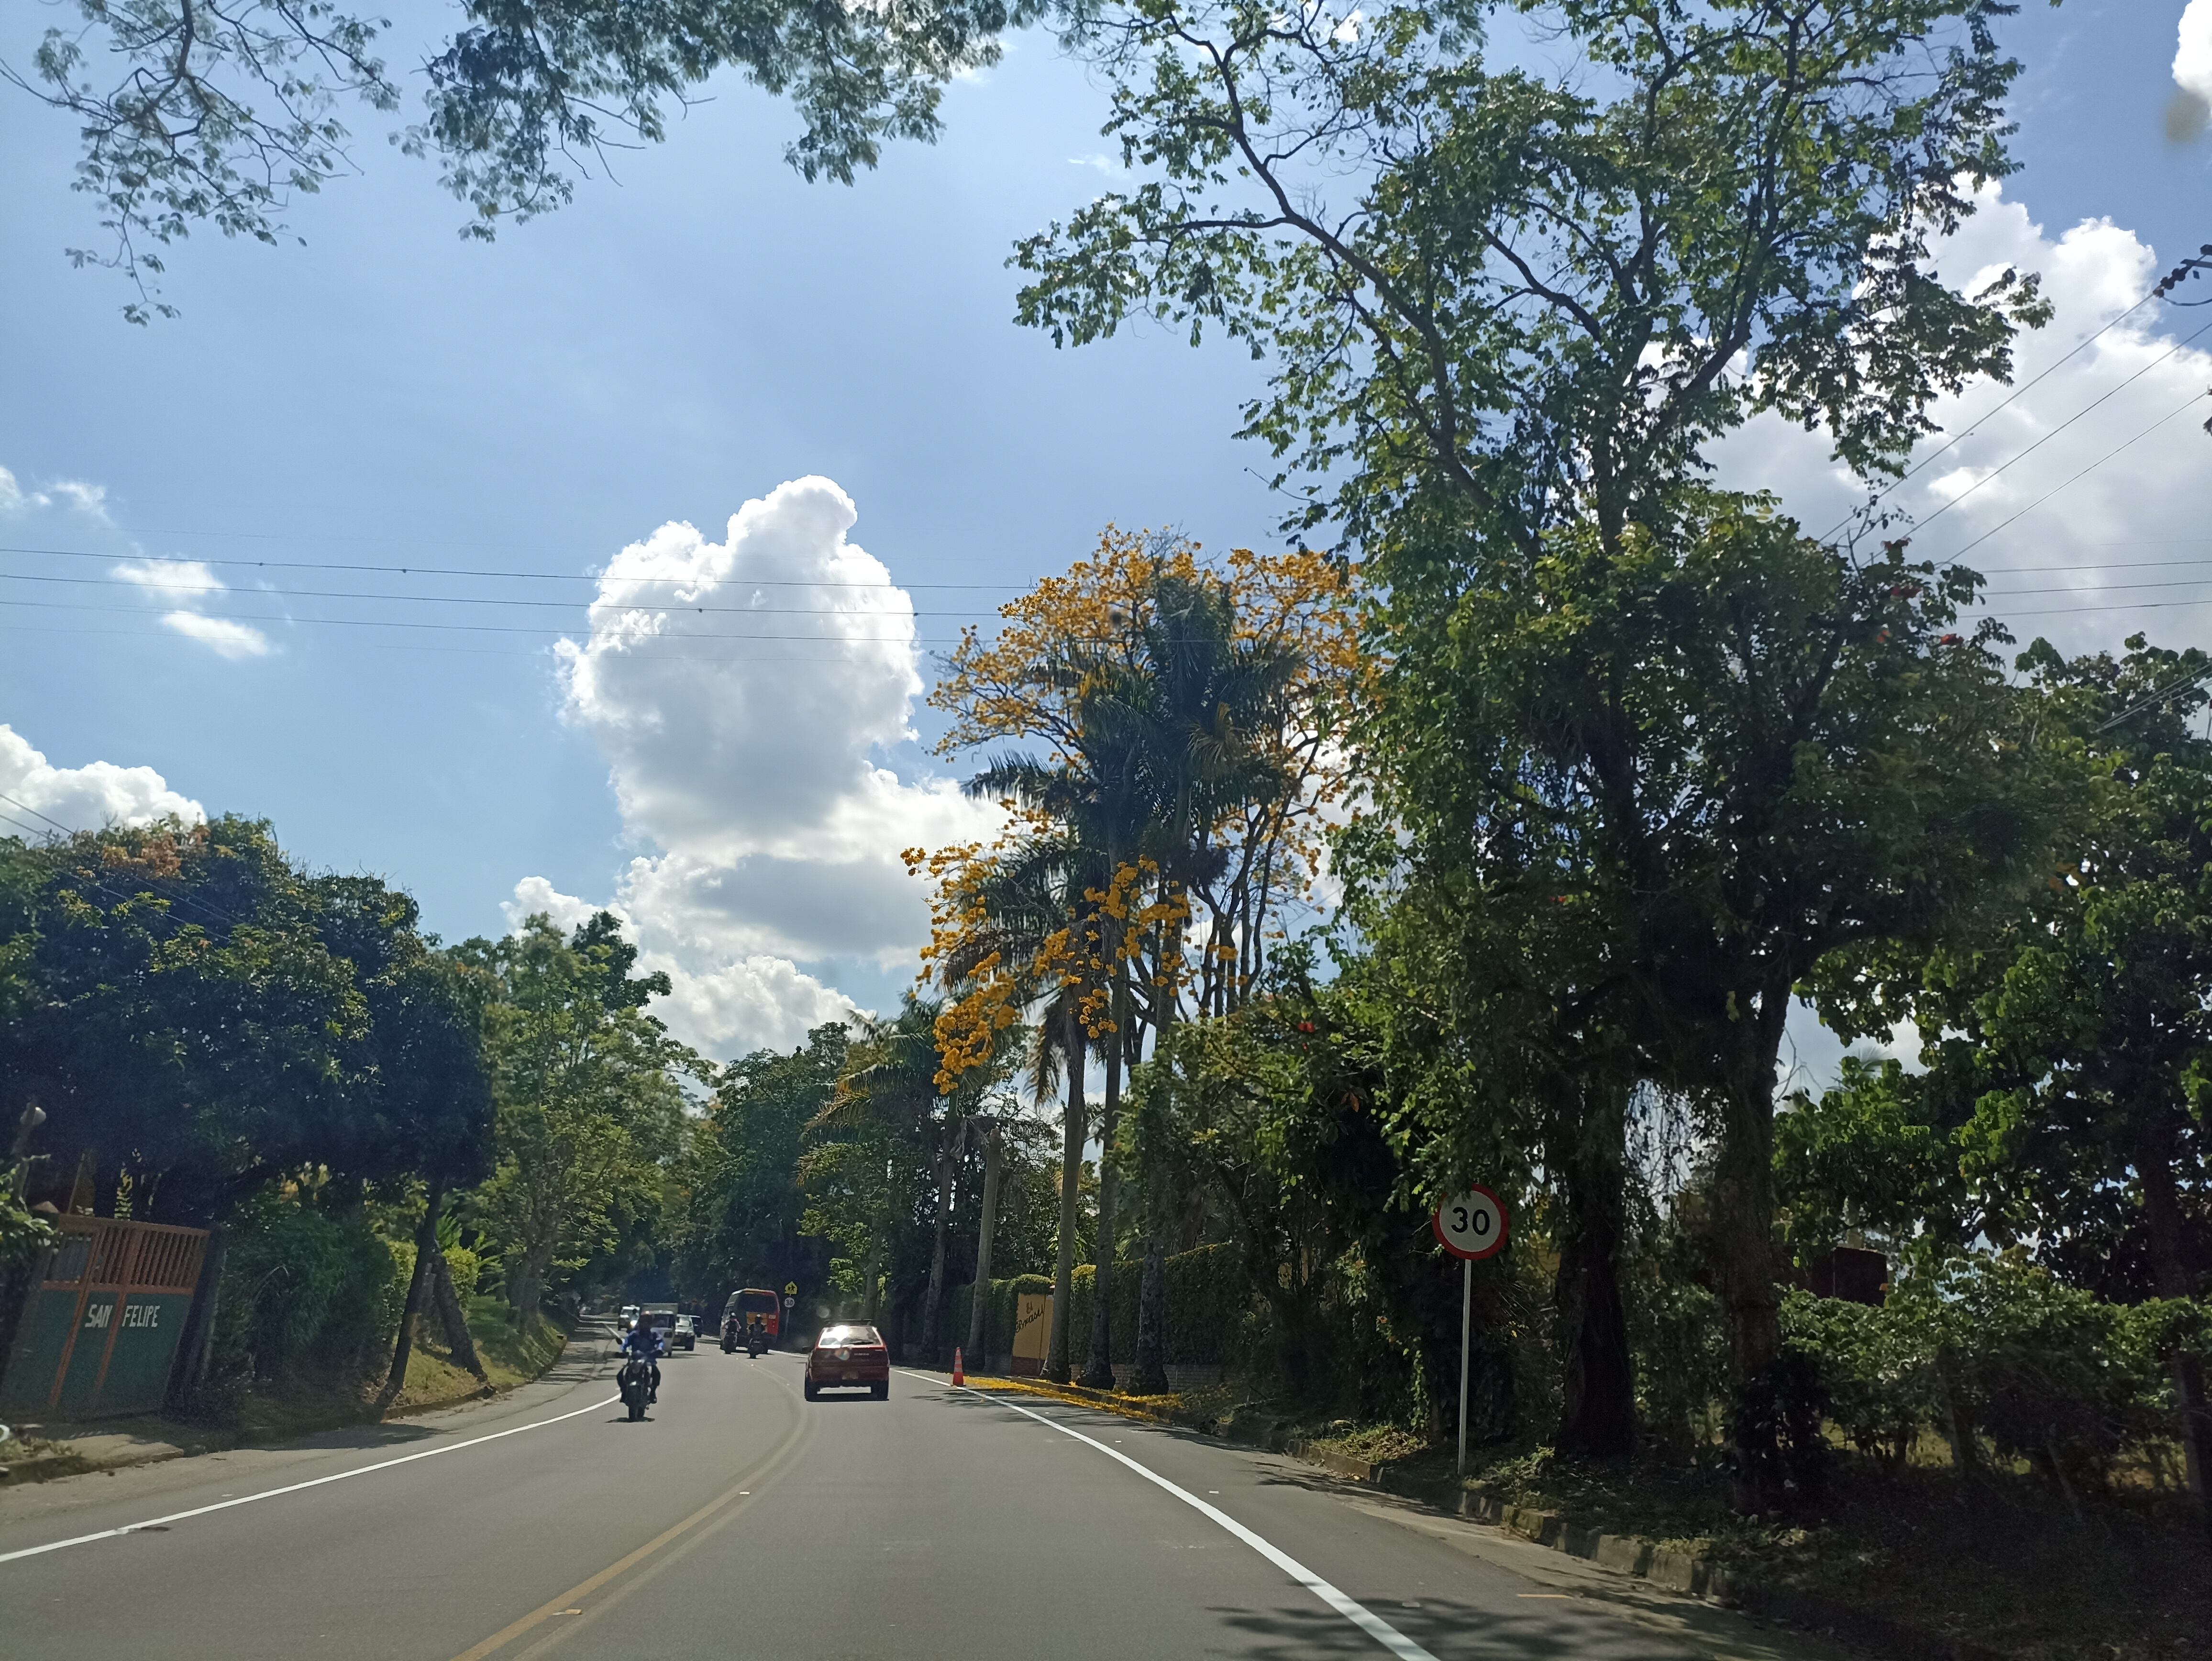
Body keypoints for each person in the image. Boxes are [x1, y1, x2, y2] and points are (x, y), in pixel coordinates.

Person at [619, 1316, 664, 1402]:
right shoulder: (634, 1335)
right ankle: (624, 1392)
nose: (645, 1325)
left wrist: (660, 1349)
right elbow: (625, 1343)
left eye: (647, 1322)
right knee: (620, 1375)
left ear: (651, 1324)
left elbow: (660, 1342)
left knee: (656, 1374)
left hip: (649, 1361)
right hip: (634, 1361)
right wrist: (622, 1351)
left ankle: (652, 1393)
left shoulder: (654, 1335)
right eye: (643, 1322)